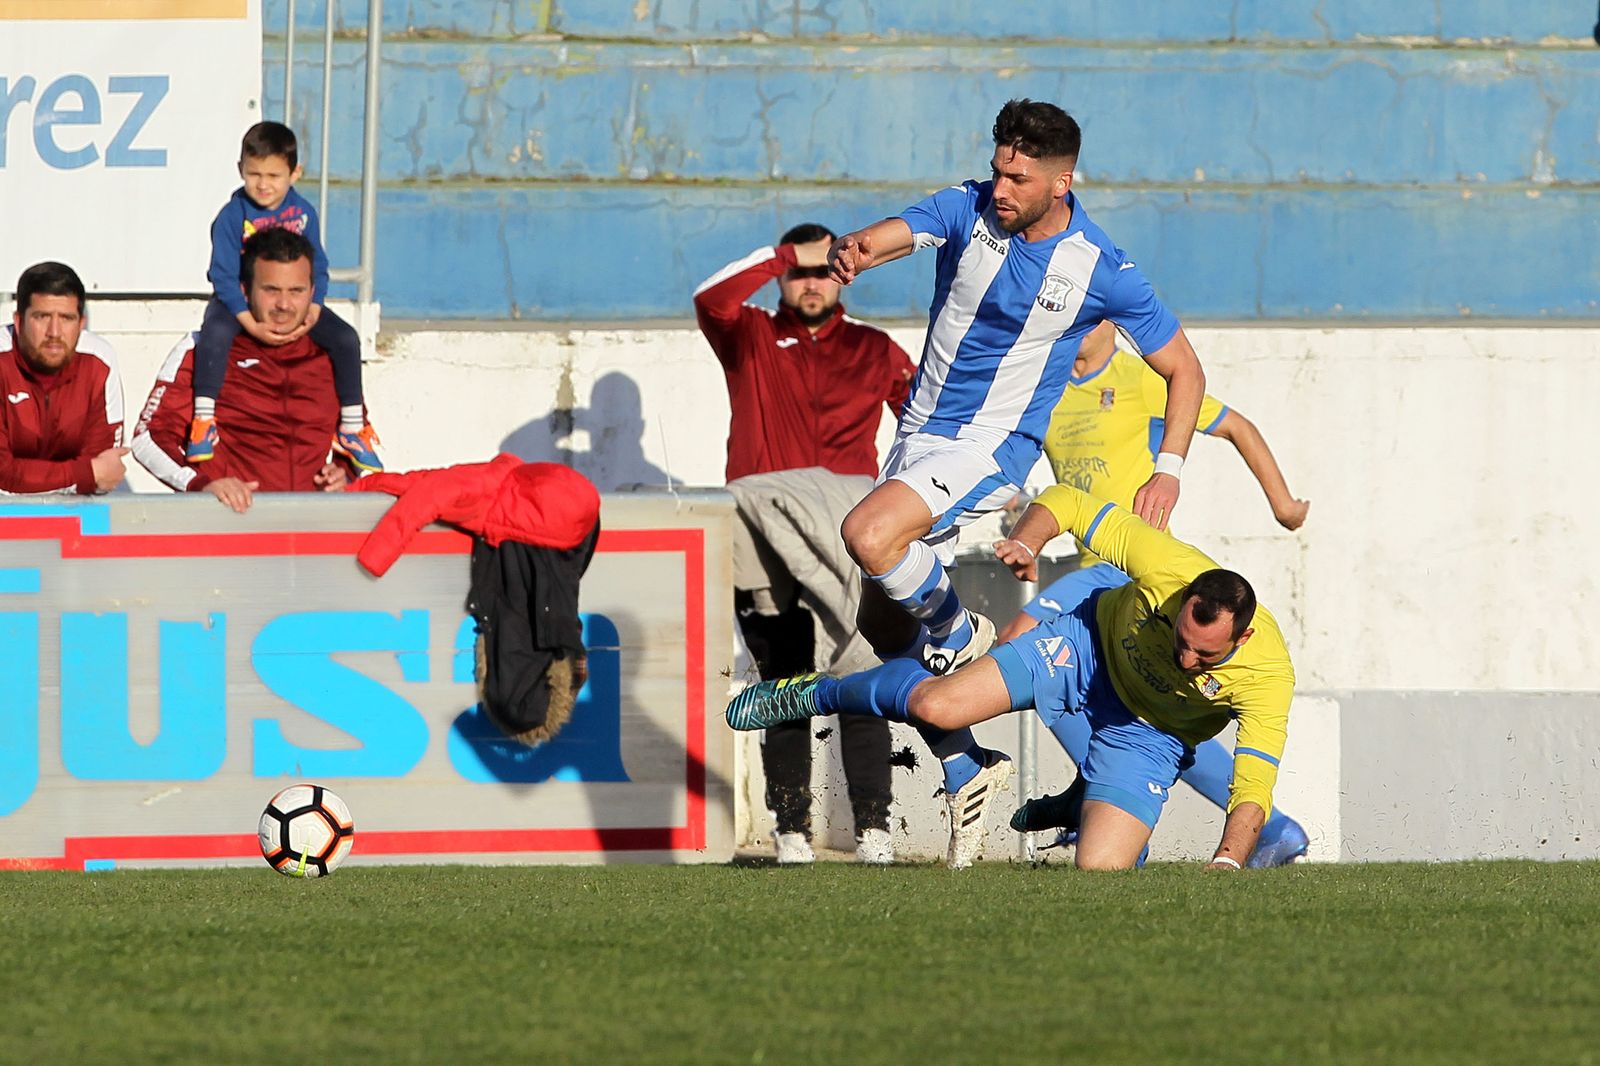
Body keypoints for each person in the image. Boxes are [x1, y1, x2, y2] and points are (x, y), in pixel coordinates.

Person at [823, 98, 1208, 865]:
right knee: (884, 625)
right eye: (998, 170)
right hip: (919, 438)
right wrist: (858, 249)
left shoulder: (1100, 269)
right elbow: (893, 234)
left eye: (1018, 178)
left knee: (868, 534)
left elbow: (1185, 371)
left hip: (990, 448)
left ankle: (958, 630)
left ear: (1062, 181)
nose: (1000, 188)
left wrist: (1168, 471)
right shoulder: (965, 208)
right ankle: (965, 762)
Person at [727, 482, 1296, 872]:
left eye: (1204, 656)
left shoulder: (1268, 676)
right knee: (937, 706)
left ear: (1242, 637)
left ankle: (1083, 799)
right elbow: (1068, 502)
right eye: (1180, 640)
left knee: (1101, 867)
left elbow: (1253, 785)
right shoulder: (1168, 565)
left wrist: (1227, 862)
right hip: (1084, 649)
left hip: (1149, 734)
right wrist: (1028, 539)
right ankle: (817, 692)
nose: (1186, 660)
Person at [995, 319, 1310, 866]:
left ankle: (1099, 802)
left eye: (1094, 313)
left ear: (1113, 324)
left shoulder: (1139, 379)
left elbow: (1238, 426)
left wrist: (1282, 504)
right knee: (1144, 711)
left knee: (1020, 639)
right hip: (1092, 561)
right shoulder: (1046, 386)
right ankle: (1098, 798)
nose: (1081, 324)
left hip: (1132, 573)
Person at [695, 222, 915, 865]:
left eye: (823, 271)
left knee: (862, 671)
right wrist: (782, 255)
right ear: (784, 277)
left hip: (848, 525)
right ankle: (790, 826)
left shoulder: (875, 348)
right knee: (783, 674)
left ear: (842, 277)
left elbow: (923, 425)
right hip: (762, 528)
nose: (811, 283)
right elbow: (711, 301)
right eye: (800, 273)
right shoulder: (750, 335)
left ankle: (874, 827)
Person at [188, 121, 381, 473]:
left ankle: (353, 428)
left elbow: (318, 266)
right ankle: (204, 419)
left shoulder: (304, 213)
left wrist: (314, 308)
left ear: (295, 173)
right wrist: (249, 323)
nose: (263, 184)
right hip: (237, 302)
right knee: (214, 335)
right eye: (254, 174)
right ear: (240, 170)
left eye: (274, 176)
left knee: (346, 339)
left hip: (293, 304)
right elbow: (223, 277)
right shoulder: (231, 217)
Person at [131, 228, 360, 511]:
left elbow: (354, 437)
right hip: (229, 525)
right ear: (244, 290)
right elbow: (147, 438)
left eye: (296, 291)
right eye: (271, 290)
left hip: (307, 526)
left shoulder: (333, 354)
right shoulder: (204, 350)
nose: (284, 305)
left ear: (313, 292)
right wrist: (200, 484)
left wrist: (344, 472)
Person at [0, 262, 128, 495]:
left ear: (81, 324)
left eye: (67, 318)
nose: (55, 332)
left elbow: (104, 475)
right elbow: (2, 473)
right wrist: (85, 473)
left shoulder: (99, 361)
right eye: (42, 317)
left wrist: (89, 475)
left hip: (77, 513)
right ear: (18, 322)